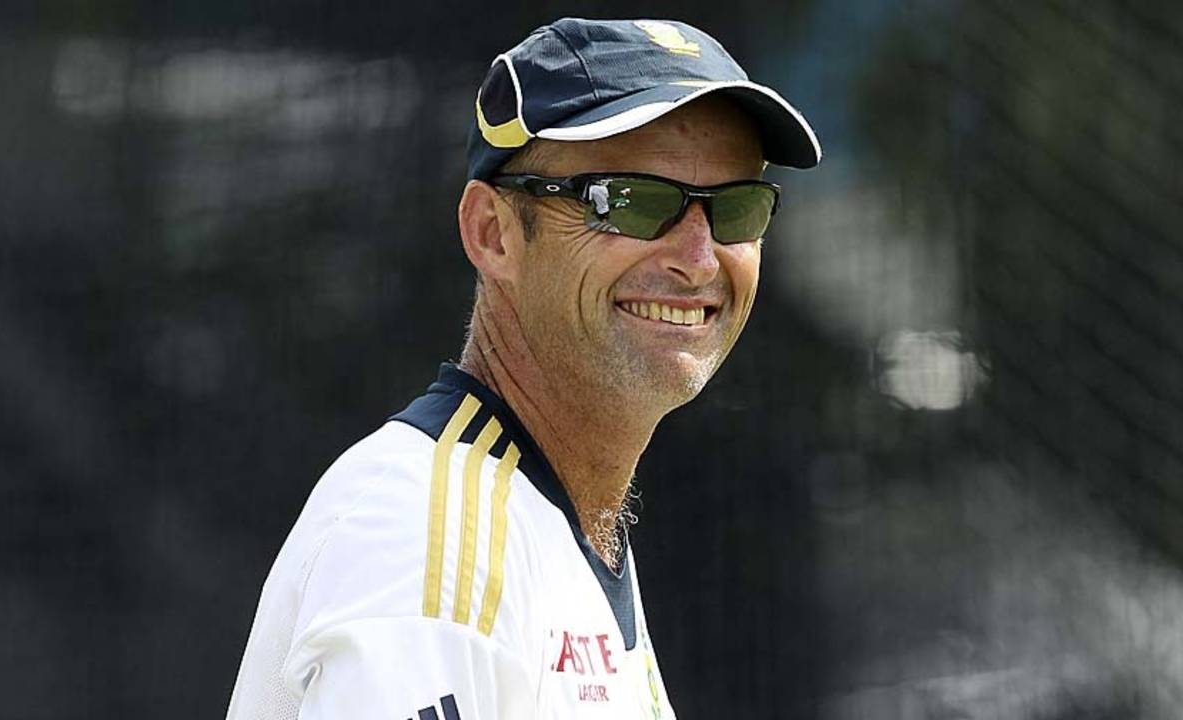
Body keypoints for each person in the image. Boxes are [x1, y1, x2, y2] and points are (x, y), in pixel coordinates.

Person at [226, 17, 820, 719]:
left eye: (736, 209)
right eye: (628, 201)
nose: (697, 258)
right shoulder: (422, 534)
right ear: (491, 233)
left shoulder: (549, 520)